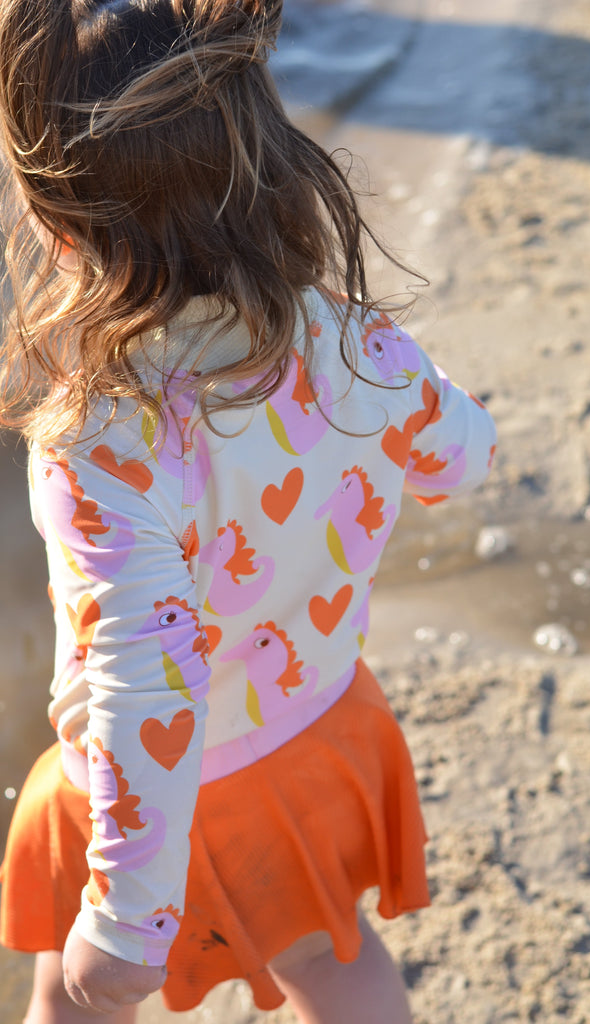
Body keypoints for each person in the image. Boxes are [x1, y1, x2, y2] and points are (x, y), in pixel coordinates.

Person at [0, 1, 497, 1021]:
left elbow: (150, 667)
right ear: (261, 156)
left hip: (143, 788)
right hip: (311, 728)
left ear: (52, 220)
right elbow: (464, 457)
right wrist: (389, 417)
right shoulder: (353, 346)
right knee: (331, 959)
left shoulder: (99, 442)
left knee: (75, 989)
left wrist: (128, 918)